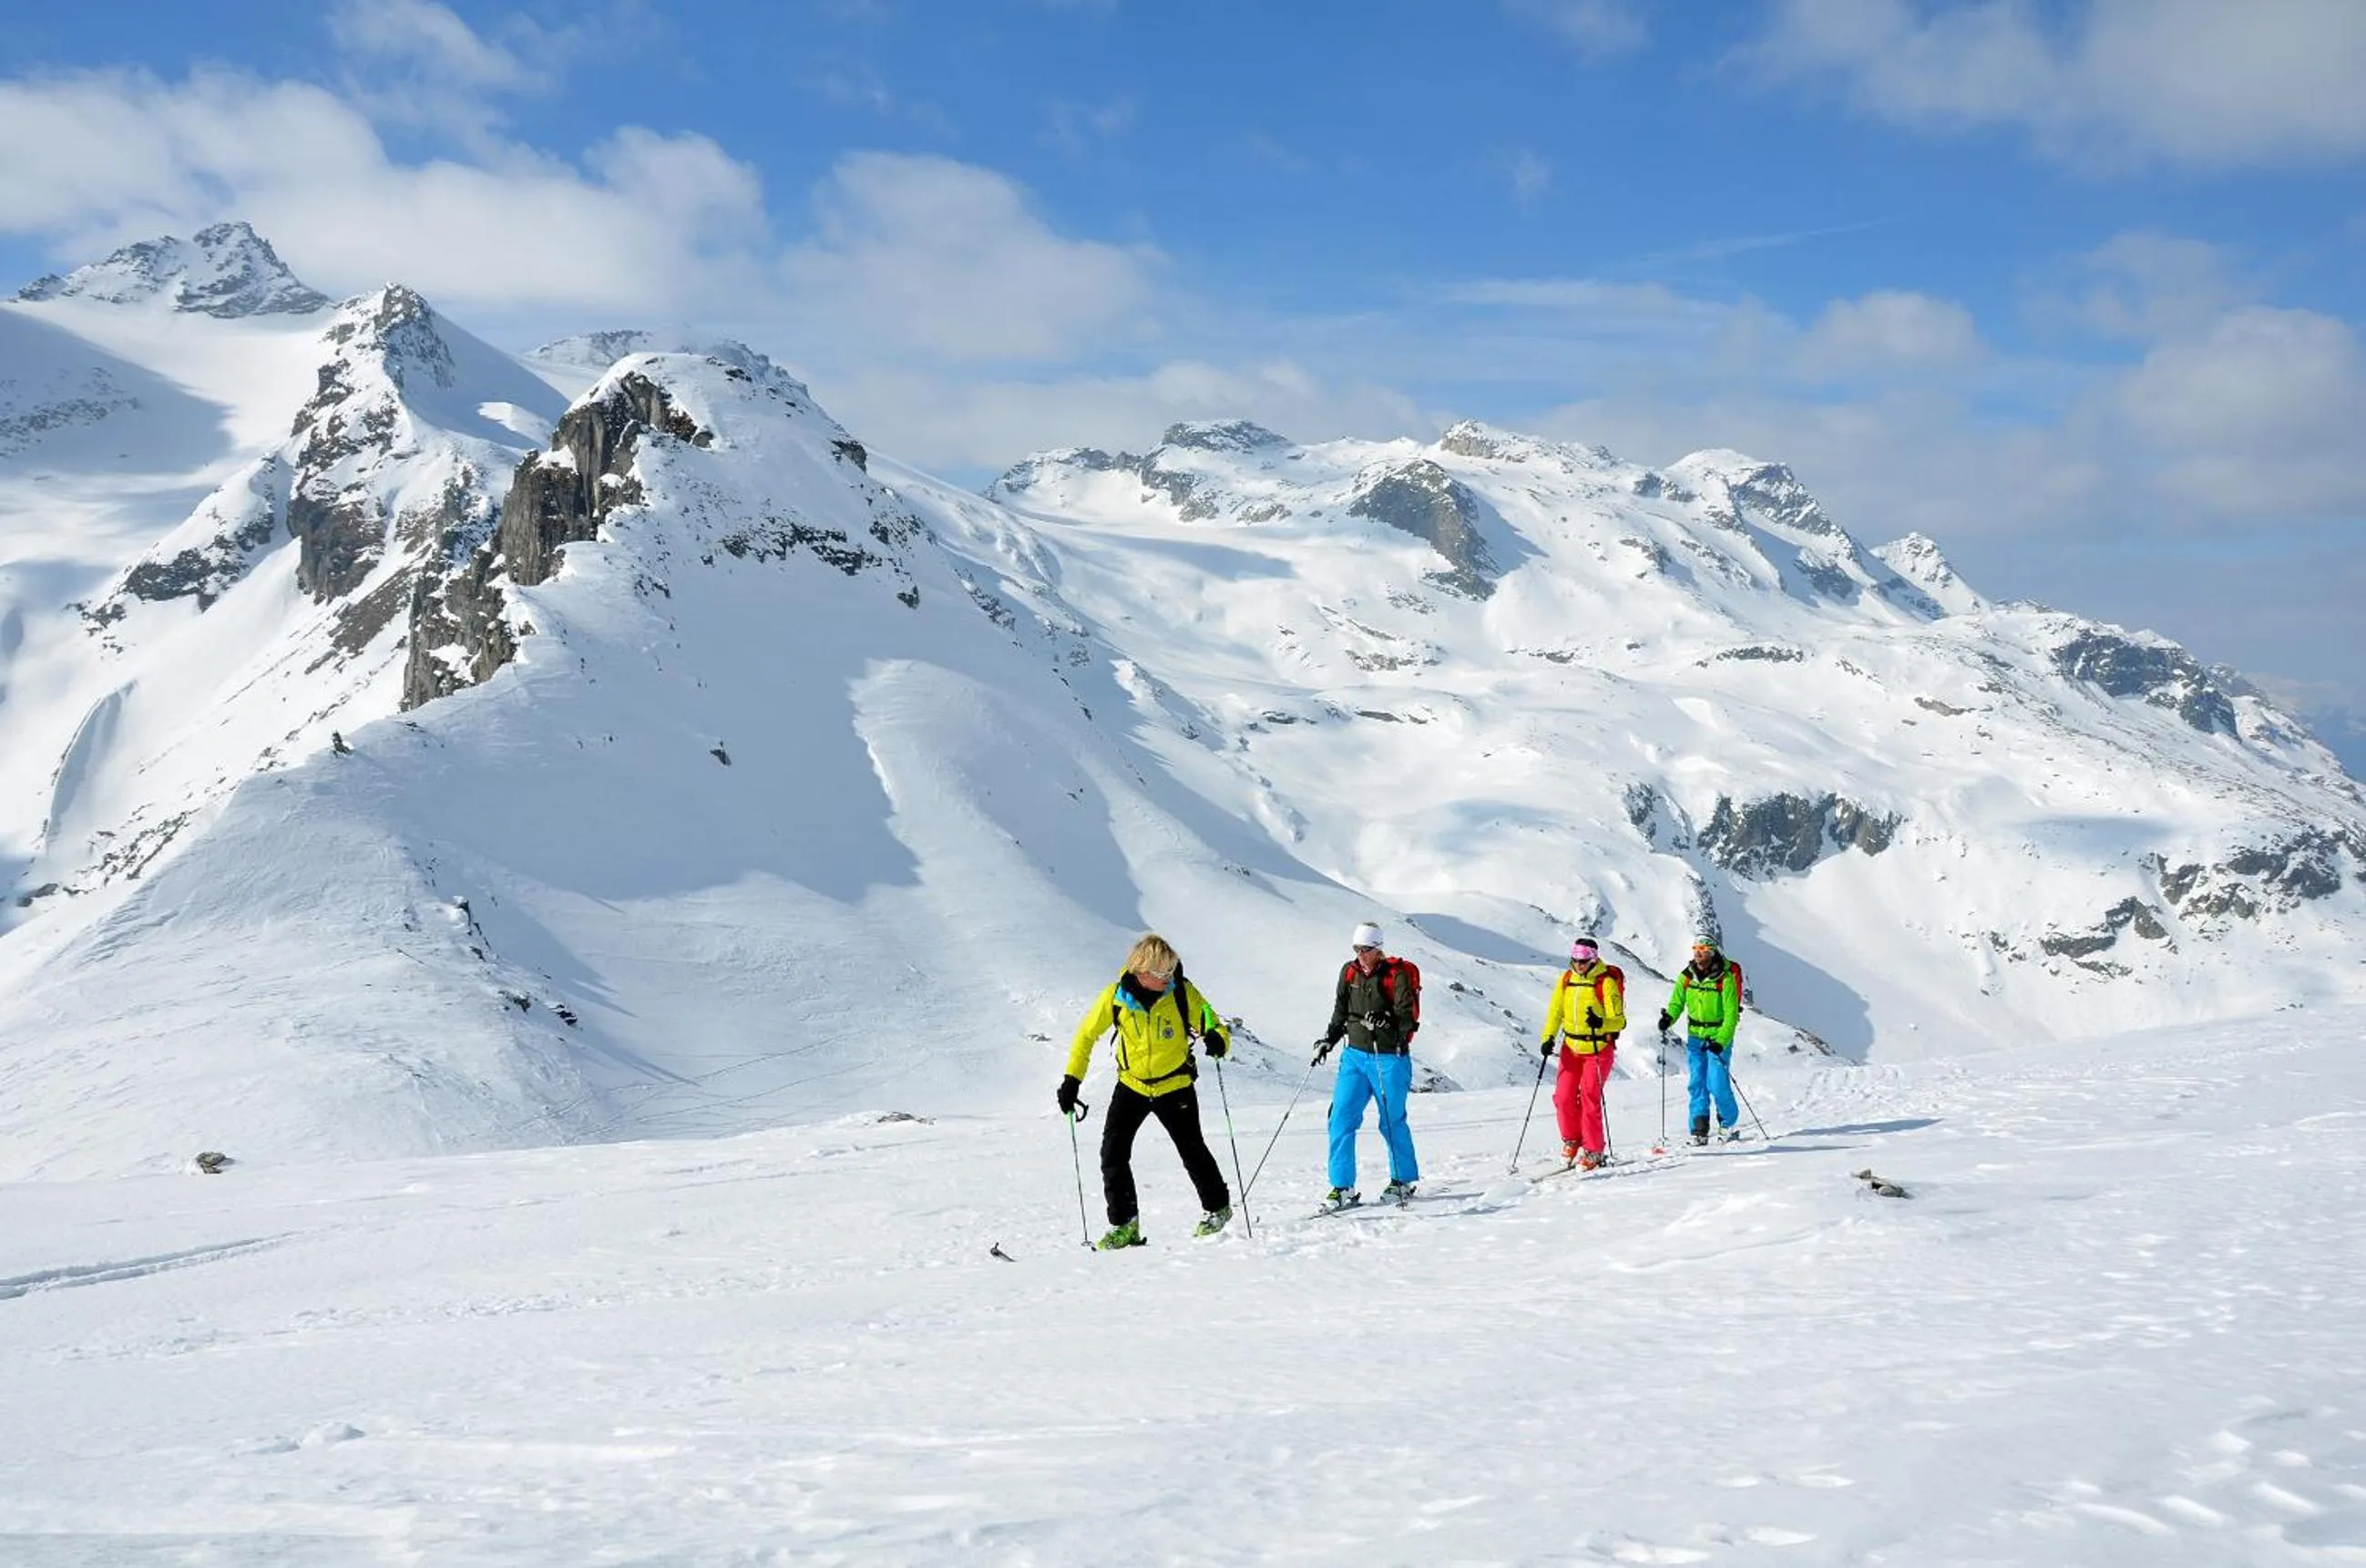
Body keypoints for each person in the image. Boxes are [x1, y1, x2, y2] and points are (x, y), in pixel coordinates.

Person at [1058, 933, 1234, 1249]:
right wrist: (1072, 1081)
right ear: (1141, 971)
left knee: (1192, 1150)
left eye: (1170, 971)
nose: (1168, 978)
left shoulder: (1182, 992)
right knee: (1112, 1153)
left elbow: (1211, 1021)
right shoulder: (1116, 997)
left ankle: (1218, 1208)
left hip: (1175, 1085)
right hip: (1132, 1085)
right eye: (1162, 973)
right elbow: (1085, 1036)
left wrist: (1217, 1038)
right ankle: (1125, 1226)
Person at [1314, 921, 1421, 1205]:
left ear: (1378, 949)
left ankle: (1403, 1180)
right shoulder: (1349, 972)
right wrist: (1329, 1039)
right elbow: (1341, 1010)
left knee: (1391, 1121)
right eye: (1357, 948)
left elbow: (1407, 1018)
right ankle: (1342, 1187)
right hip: (1355, 1056)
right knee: (1340, 1118)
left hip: (1388, 1058)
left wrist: (1387, 1021)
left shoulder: (1396, 975)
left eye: (1367, 949)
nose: (1361, 954)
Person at [1540, 937, 1624, 1169]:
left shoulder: (1606, 982)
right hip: (1571, 1048)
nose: (1578, 965)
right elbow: (1556, 1011)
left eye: (1583, 961)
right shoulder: (1566, 979)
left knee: (1589, 1098)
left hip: (1598, 1049)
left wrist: (1602, 1022)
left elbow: (1619, 1021)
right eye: (1575, 960)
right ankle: (1572, 1139)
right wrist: (1547, 1038)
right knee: (1563, 1097)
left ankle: (1594, 1150)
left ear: (1593, 959)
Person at [1657, 937, 1743, 1145]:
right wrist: (1669, 1017)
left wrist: (1721, 1041)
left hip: (1718, 1036)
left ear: (1712, 952)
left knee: (1717, 1082)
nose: (1697, 952)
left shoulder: (1725, 979)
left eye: (1702, 949)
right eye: (1695, 948)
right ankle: (1699, 1130)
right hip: (1695, 1036)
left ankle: (1728, 1124)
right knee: (1697, 1083)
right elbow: (1677, 1002)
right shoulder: (1687, 977)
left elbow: (1731, 1015)